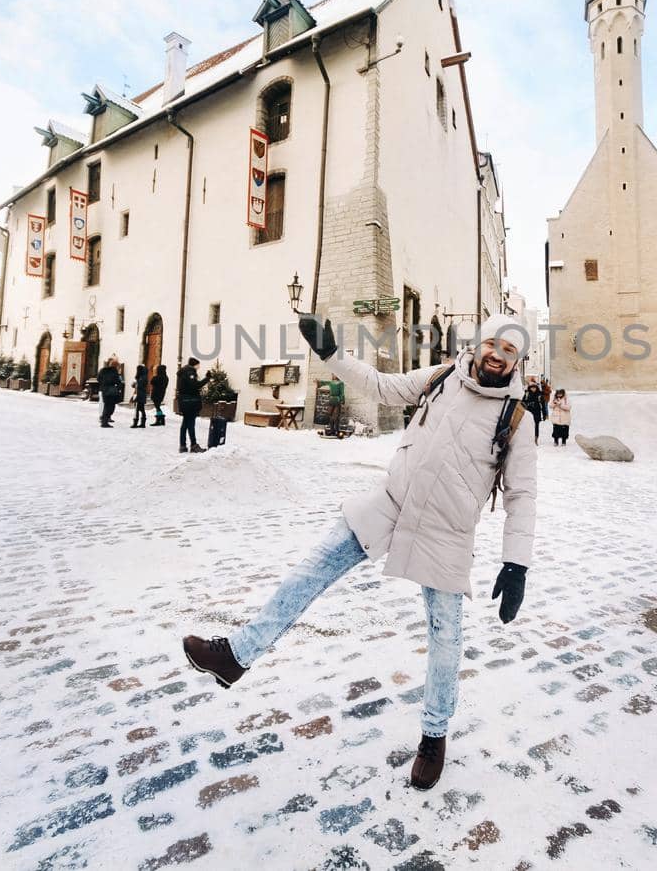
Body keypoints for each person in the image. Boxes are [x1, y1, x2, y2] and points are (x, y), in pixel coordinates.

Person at [183, 313, 538, 792]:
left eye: (509, 350)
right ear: (479, 345)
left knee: (446, 640)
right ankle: (237, 655)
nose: (497, 354)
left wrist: (516, 563)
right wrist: (332, 355)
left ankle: (434, 736)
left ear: (520, 359)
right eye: (492, 343)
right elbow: (382, 386)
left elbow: (522, 495)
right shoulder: (440, 378)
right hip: (390, 504)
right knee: (309, 572)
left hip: (447, 534)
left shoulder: (517, 419)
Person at [176, 358, 206, 453]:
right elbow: (195, 386)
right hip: (190, 402)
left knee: (185, 423)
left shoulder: (184, 372)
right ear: (195, 365)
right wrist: (207, 378)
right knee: (190, 423)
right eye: (198, 365)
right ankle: (193, 445)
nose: (199, 367)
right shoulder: (190, 372)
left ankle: (183, 445)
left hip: (185, 401)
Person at [97, 356, 124, 428]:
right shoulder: (114, 372)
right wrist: (118, 388)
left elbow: (98, 379)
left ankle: (104, 420)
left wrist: (103, 385)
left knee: (106, 405)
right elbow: (118, 382)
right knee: (110, 406)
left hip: (104, 390)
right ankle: (105, 421)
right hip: (111, 391)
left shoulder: (102, 370)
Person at [522, 376, 544, 445]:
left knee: (536, 426)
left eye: (534, 387)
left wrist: (544, 414)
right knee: (529, 426)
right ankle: (529, 439)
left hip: (537, 412)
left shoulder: (539, 394)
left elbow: (543, 405)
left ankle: (536, 439)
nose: (533, 389)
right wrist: (527, 404)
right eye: (532, 387)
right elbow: (523, 402)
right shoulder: (527, 394)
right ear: (530, 387)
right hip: (529, 412)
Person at [130, 363, 150, 428]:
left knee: (137, 409)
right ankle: (142, 423)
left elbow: (140, 386)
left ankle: (136, 422)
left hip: (140, 395)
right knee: (141, 409)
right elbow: (134, 385)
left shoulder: (143, 377)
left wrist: (136, 383)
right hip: (140, 394)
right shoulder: (141, 376)